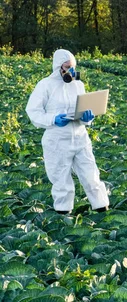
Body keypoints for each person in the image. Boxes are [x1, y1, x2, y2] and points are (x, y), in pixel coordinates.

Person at [26, 49, 109, 214]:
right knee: (61, 178)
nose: (70, 71)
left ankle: (102, 208)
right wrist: (53, 119)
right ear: (58, 67)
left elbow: (84, 108)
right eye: (66, 67)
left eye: (72, 67)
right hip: (57, 139)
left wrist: (88, 117)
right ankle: (64, 213)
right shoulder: (45, 85)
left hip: (80, 137)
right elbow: (33, 111)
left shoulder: (78, 85)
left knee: (91, 174)